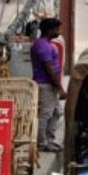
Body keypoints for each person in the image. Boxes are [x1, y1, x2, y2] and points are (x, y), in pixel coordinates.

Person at [31, 18, 64, 152]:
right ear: (49, 31)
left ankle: (49, 140)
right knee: (45, 114)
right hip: (46, 84)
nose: (59, 32)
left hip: (50, 85)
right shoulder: (43, 46)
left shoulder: (45, 44)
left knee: (57, 112)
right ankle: (42, 143)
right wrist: (60, 88)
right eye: (57, 29)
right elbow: (49, 69)